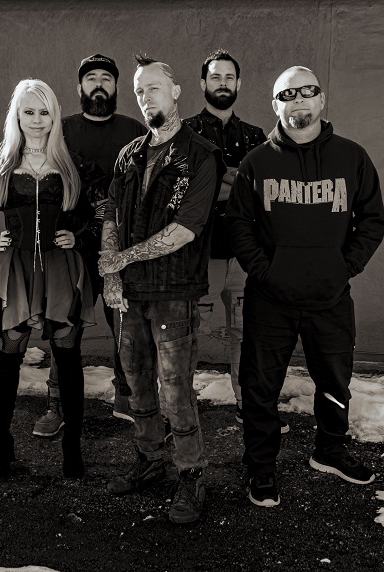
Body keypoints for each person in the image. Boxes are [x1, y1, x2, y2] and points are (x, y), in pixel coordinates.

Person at [225, 66, 384, 507]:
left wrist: (344, 267)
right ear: (275, 105)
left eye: (307, 91)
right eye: (287, 94)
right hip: (270, 300)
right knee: (260, 388)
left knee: (335, 380)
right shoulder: (257, 162)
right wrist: (264, 270)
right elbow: (238, 224)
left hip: (330, 298)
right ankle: (261, 467)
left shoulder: (352, 157)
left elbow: (372, 220)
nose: (298, 99)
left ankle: (330, 450)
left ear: (321, 100)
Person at [99, 55, 224, 524]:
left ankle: (191, 474)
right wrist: (112, 275)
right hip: (130, 294)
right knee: (135, 383)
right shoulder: (129, 154)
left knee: (176, 390)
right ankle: (150, 459)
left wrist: (122, 260)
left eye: (153, 88)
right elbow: (111, 213)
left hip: (174, 290)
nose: (145, 96)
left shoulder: (201, 154)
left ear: (175, 92)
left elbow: (186, 229)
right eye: (138, 91)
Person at [0, 79, 96, 481]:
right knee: (8, 360)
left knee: (68, 360)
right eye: (29, 111)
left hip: (61, 269)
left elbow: (105, 210)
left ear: (55, 116)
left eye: (44, 111)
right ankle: (1, 453)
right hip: (14, 270)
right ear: (16, 116)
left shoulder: (72, 165)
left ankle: (72, 455)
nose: (37, 120)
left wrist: (79, 236)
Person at [32, 54, 147, 438]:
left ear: (116, 87)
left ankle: (127, 397)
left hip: (122, 251)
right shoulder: (60, 130)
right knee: (65, 330)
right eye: (91, 78)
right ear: (80, 87)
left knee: (127, 328)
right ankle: (57, 403)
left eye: (106, 79)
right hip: (72, 250)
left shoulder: (134, 130)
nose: (99, 84)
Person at [183, 49, 287, 434]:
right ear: (203, 83)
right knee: (188, 333)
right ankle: (180, 410)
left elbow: (262, 193)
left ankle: (249, 406)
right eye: (215, 76)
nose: (223, 83)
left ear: (239, 83)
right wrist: (229, 181)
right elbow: (187, 192)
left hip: (244, 255)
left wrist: (222, 182)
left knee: (247, 334)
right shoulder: (186, 133)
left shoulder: (256, 137)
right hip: (201, 254)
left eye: (229, 77)